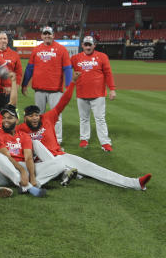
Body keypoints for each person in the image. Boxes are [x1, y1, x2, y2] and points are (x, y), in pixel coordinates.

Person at [18, 74, 151, 190]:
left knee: (93, 168)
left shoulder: (47, 118)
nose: (34, 118)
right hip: (43, 165)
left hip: (61, 156)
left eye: (36, 115)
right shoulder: (20, 129)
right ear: (25, 118)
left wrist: (73, 83)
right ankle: (64, 172)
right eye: (30, 116)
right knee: (35, 142)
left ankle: (135, 183)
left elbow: (64, 101)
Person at [0, 105, 65, 197]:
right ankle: (27, 187)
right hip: (5, 173)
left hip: (23, 168)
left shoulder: (24, 135)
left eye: (10, 118)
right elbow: (7, 156)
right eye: (4, 118)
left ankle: (34, 184)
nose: (6, 120)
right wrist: (23, 171)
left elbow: (28, 157)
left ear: (17, 120)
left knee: (60, 164)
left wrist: (32, 176)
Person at [21, 26, 72, 144]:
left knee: (56, 116)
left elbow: (68, 69)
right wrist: (24, 84)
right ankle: (41, 138)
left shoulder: (61, 49)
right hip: (39, 89)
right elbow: (30, 68)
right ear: (42, 35)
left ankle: (57, 140)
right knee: (38, 116)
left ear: (53, 35)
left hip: (55, 90)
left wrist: (68, 86)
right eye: (45, 34)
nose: (47, 36)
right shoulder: (36, 49)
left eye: (49, 34)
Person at [70, 36, 116, 151]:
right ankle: (84, 139)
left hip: (98, 94)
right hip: (81, 93)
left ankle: (105, 142)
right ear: (82, 45)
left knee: (100, 118)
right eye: (86, 44)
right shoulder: (75, 58)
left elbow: (108, 74)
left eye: (90, 44)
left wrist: (112, 89)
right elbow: (65, 68)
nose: (88, 46)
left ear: (94, 45)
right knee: (83, 118)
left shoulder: (102, 56)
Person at [0, 32, 23, 113]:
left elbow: (19, 73)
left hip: (8, 92)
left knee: (9, 116)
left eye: (5, 39)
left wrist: (15, 89)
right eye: (0, 38)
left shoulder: (14, 54)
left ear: (7, 41)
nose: (3, 41)